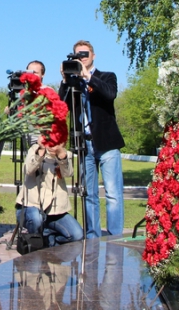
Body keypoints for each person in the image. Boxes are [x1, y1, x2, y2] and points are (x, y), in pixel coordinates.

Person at [58, 40, 124, 238]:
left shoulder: (107, 76)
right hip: (84, 144)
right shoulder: (73, 83)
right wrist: (65, 81)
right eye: (78, 55)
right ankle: (93, 236)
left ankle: (114, 237)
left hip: (107, 143)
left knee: (113, 194)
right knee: (89, 194)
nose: (82, 58)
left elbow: (110, 94)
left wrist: (88, 77)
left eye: (85, 54)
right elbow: (61, 107)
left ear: (93, 56)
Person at [16, 138, 83, 246]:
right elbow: (28, 170)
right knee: (36, 219)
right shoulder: (34, 150)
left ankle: (49, 242)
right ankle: (36, 242)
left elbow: (68, 173)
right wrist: (41, 150)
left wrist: (60, 153)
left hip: (54, 213)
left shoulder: (65, 155)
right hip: (30, 207)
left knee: (77, 235)